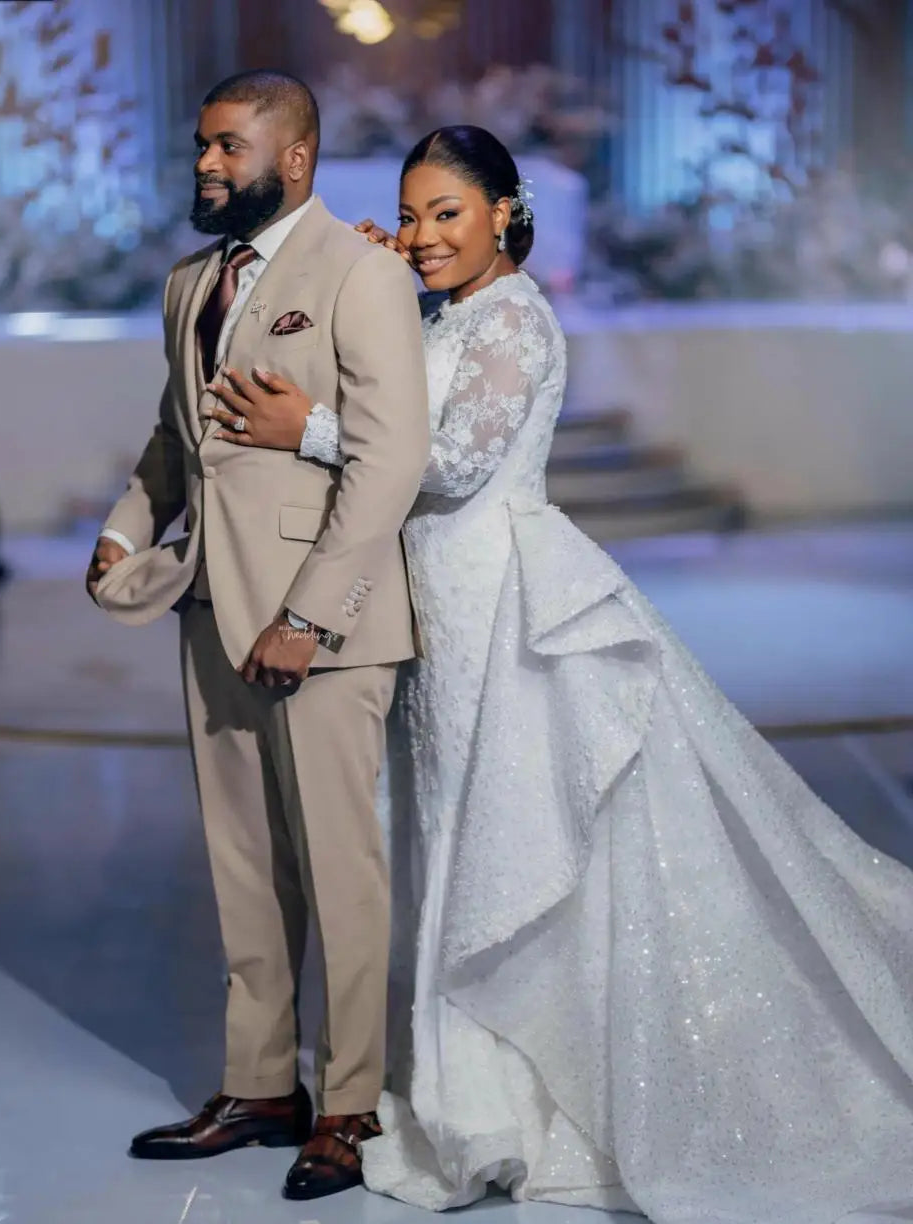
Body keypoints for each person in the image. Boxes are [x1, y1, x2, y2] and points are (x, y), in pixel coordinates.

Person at [203, 124, 913, 1221]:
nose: (428, 234)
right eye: (414, 212)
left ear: (503, 213)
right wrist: (372, 276)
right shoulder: (445, 307)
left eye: (450, 213)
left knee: (518, 835)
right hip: (439, 598)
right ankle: (476, 1087)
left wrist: (312, 432)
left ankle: (517, 1098)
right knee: (452, 831)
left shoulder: (516, 321)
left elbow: (447, 463)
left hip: (504, 601)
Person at [85, 70, 430, 1202]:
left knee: (342, 874)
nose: (204, 164)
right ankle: (260, 1086)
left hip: (322, 622)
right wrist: (128, 524)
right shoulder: (192, 281)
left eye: (226, 147)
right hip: (206, 607)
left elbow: (388, 461)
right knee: (243, 871)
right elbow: (173, 436)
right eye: (200, 146)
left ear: (292, 158)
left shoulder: (363, 273)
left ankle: (349, 1105)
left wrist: (306, 616)